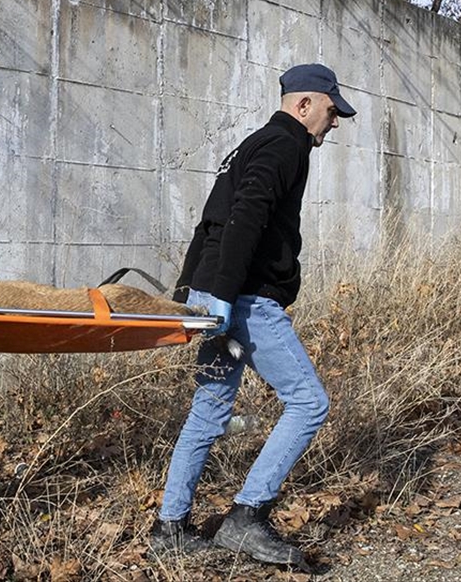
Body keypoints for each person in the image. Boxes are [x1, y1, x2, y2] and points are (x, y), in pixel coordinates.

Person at [149, 64, 356, 566]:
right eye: (331, 111)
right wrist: (223, 294)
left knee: (209, 409)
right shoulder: (285, 145)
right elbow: (244, 218)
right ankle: (247, 517)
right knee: (309, 403)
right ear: (303, 105)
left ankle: (169, 527)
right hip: (244, 298)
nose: (334, 122)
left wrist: (190, 292)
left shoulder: (251, 144)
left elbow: (209, 222)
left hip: (217, 293)